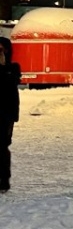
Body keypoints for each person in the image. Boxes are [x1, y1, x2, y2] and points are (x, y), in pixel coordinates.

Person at [0, 37, 20, 194]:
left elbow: (10, 83)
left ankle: (4, 180)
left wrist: (3, 65)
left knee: (2, 147)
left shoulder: (13, 68)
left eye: (2, 49)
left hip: (6, 114)